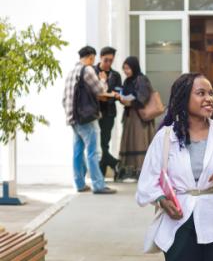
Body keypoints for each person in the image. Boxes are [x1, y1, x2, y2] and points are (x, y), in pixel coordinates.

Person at [136, 73, 213, 261]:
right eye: (201, 93)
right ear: (184, 99)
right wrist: (161, 200)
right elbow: (148, 179)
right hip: (178, 223)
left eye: (211, 93)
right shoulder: (166, 137)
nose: (209, 99)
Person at [62, 46, 116, 194]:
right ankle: (98, 185)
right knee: (93, 152)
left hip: (73, 119)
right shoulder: (87, 70)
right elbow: (100, 90)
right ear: (91, 57)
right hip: (86, 118)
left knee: (78, 152)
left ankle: (79, 184)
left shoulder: (70, 73)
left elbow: (64, 98)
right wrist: (103, 80)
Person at [118, 56, 155, 180]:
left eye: (128, 68)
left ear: (134, 67)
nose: (126, 71)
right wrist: (122, 99)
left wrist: (131, 101)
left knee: (139, 141)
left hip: (140, 117)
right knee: (130, 142)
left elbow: (143, 97)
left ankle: (143, 170)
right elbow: (125, 94)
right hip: (130, 116)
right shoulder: (127, 81)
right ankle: (131, 171)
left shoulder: (141, 79)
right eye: (124, 69)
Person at [94, 46, 122, 179]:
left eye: (111, 61)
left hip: (109, 113)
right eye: (106, 60)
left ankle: (102, 175)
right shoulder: (92, 71)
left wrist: (114, 94)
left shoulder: (115, 75)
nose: (108, 63)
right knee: (97, 144)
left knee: (104, 142)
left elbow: (117, 91)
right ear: (100, 57)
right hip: (94, 112)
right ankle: (115, 163)